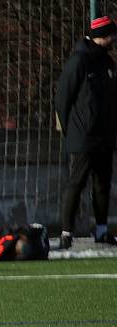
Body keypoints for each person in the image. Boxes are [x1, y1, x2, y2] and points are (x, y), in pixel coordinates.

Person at [54, 15, 117, 249]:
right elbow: (62, 99)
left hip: (105, 136)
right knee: (76, 183)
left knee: (103, 184)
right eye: (111, 35)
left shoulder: (108, 63)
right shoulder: (79, 61)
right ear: (101, 36)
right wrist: (71, 130)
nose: (114, 39)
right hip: (83, 138)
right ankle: (66, 233)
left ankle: (101, 231)